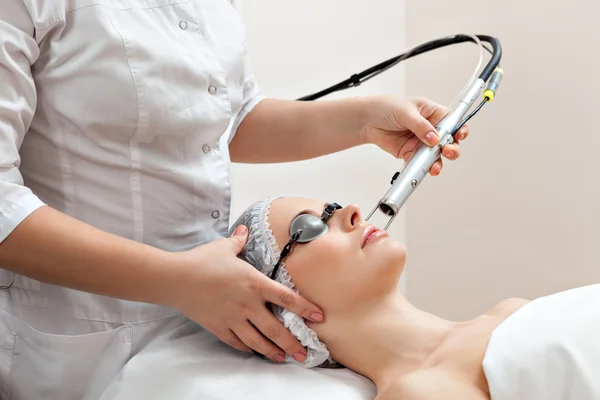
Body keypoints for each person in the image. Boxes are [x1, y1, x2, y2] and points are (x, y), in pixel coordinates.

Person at [0, 1, 468, 398]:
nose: (350, 212)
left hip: (216, 327)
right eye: (308, 227)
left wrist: (363, 121)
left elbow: (224, 121)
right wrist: (177, 280)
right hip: (86, 340)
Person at [228, 196, 600, 400]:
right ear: (282, 312)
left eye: (333, 207)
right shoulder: (416, 393)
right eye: (308, 227)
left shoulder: (509, 311)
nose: (353, 211)